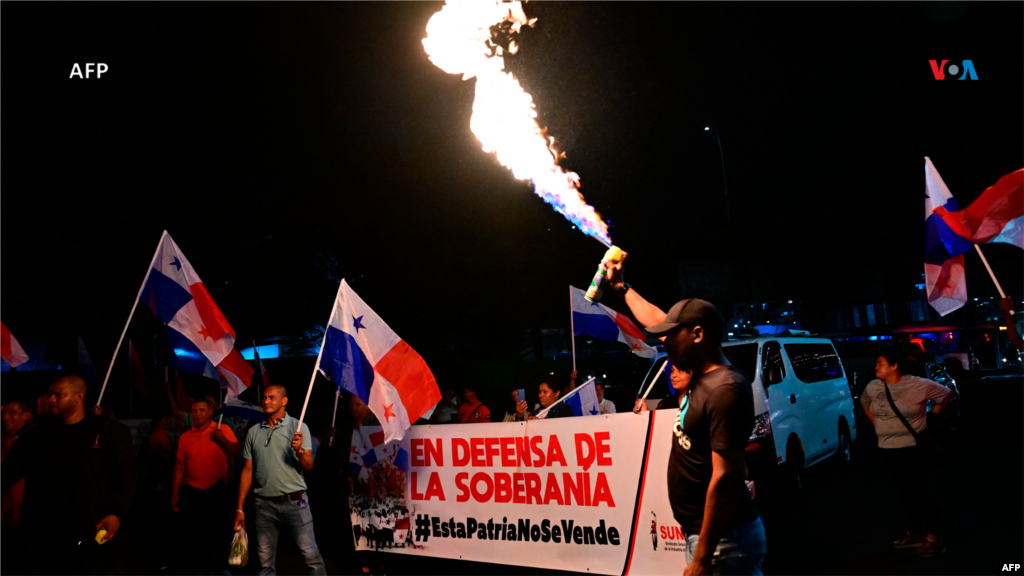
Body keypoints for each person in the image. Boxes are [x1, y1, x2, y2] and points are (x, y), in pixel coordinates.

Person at [605, 251, 765, 576]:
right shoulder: (700, 372)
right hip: (711, 539)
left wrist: (703, 557)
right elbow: (653, 319)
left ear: (697, 334)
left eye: (671, 334)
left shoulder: (725, 389)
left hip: (724, 543)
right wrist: (621, 286)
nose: (663, 340)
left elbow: (725, 476)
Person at [0, 376, 136, 576]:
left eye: (58, 395)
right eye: (50, 394)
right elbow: (7, 473)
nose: (51, 399)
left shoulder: (108, 433)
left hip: (89, 529)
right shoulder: (36, 437)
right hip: (43, 533)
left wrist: (116, 513)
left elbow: (125, 477)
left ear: (78, 396)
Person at [860, 349, 952, 557]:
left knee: (923, 492)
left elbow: (945, 395)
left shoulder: (917, 384)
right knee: (905, 492)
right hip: (888, 448)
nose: (876, 367)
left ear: (894, 367)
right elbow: (864, 403)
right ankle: (913, 533)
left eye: (881, 363)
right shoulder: (873, 387)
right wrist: (877, 424)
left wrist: (933, 419)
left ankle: (933, 538)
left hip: (914, 447)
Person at [234, 384, 326, 576]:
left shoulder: (299, 427)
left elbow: (308, 466)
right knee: (265, 563)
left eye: (271, 397)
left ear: (284, 401)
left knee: (311, 557)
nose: (266, 401)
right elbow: (247, 471)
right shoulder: (254, 432)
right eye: (264, 397)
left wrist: (299, 450)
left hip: (296, 502)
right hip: (263, 505)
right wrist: (240, 508)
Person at [171, 398, 240, 571]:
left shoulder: (222, 429)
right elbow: (180, 465)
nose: (198, 413)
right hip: (194, 491)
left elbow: (237, 451)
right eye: (194, 411)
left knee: (221, 531)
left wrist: (222, 440)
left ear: (210, 411)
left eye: (202, 410)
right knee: (196, 533)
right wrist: (175, 490)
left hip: (218, 490)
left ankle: (222, 568)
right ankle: (201, 567)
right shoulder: (185, 437)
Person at [0, 401, 33, 576]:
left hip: (24, 513)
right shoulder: (4, 439)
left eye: (12, 413)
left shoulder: (33, 440)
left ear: (27, 415)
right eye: (3, 413)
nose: (5, 417)